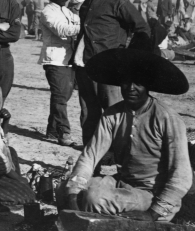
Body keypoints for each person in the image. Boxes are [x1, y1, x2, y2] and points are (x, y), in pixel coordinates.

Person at [57, 46, 191, 222]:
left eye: (139, 83)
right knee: (65, 190)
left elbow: (182, 175)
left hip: (154, 194)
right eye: (126, 82)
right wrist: (73, 191)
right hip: (123, 183)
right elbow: (90, 156)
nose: (131, 88)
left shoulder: (166, 118)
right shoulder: (113, 114)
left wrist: (152, 213)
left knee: (95, 198)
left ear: (148, 86)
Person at [73, 0, 150, 145]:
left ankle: (119, 160)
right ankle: (92, 160)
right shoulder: (86, 5)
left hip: (111, 69)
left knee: (115, 112)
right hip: (86, 66)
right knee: (89, 114)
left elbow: (142, 29)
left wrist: (128, 58)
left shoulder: (119, 3)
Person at [38, 0, 80, 146]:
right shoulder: (48, 11)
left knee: (63, 96)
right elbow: (61, 29)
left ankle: (52, 131)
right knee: (60, 97)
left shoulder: (67, 11)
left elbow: (76, 23)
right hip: (54, 60)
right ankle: (64, 132)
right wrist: (84, 27)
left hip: (68, 59)